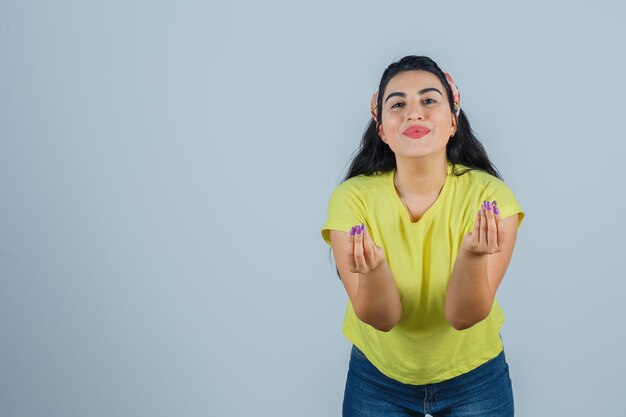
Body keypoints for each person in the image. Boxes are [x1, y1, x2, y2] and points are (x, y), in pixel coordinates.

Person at [320, 55, 525, 417]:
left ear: (452, 121)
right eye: (397, 104)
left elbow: (465, 316)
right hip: (378, 376)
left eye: (429, 100)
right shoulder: (351, 200)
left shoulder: (491, 199)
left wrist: (473, 256)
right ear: (381, 129)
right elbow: (381, 318)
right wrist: (374, 271)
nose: (414, 113)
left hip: (474, 375)